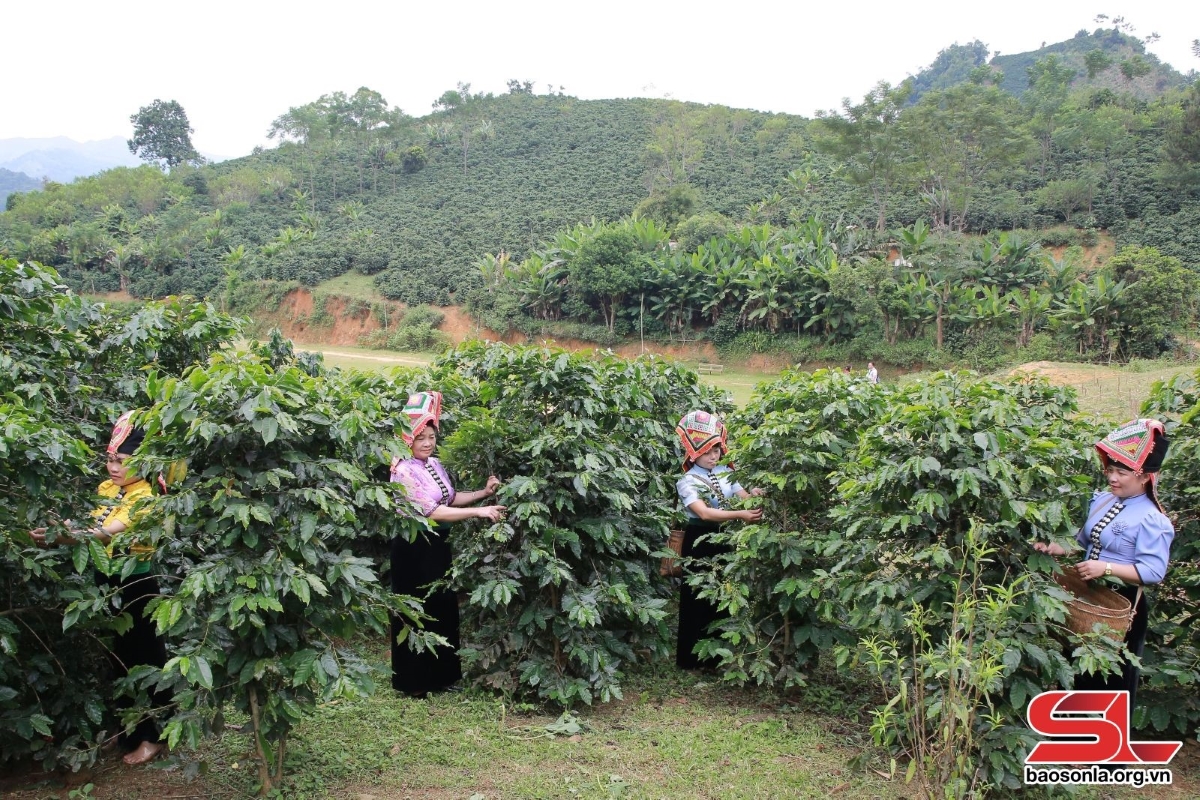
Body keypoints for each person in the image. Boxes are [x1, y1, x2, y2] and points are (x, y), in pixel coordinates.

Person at [32, 412, 168, 765]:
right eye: (110, 459)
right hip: (105, 583)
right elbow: (87, 522)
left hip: (135, 584)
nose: (114, 467)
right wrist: (56, 524)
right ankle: (126, 731)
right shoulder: (108, 490)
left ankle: (152, 736)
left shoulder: (147, 497)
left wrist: (61, 536)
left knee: (143, 658)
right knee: (117, 659)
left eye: (122, 460)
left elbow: (104, 534)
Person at [1033, 418, 1173, 710]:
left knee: (1112, 681)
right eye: (1110, 470)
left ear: (1144, 477)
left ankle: (1107, 738)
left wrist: (1106, 568)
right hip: (1087, 597)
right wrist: (1056, 548)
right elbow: (1084, 542)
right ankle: (1075, 734)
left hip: (1121, 604)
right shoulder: (1103, 501)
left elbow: (1153, 571)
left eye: (1122, 472)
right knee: (1077, 669)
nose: (1113, 478)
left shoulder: (1152, 519)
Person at [389, 391, 505, 697]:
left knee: (443, 606)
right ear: (407, 439)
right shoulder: (402, 471)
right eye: (421, 438)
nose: (428, 443)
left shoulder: (433, 465)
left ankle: (444, 677)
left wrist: (483, 494)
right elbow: (432, 511)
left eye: (431, 437)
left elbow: (450, 499)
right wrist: (479, 512)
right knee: (415, 610)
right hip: (412, 547)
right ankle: (415, 683)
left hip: (437, 544)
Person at [673, 410, 764, 670]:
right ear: (694, 452)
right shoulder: (687, 480)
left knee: (723, 594)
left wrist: (755, 494)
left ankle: (719, 657)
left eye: (716, 451)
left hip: (724, 540)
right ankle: (692, 660)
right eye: (708, 451)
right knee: (696, 597)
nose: (714, 456)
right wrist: (739, 515)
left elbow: (744, 498)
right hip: (698, 541)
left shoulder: (725, 472)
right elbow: (703, 513)